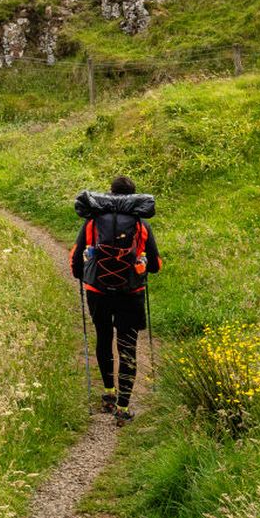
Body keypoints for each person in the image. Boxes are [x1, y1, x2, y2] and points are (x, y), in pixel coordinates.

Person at [70, 175, 162, 426]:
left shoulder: (92, 221)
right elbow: (154, 265)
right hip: (130, 292)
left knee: (103, 338)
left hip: (97, 290)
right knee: (127, 346)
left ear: (109, 194)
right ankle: (123, 406)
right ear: (133, 197)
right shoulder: (140, 223)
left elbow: (76, 259)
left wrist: (82, 275)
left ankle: (109, 394)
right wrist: (143, 267)